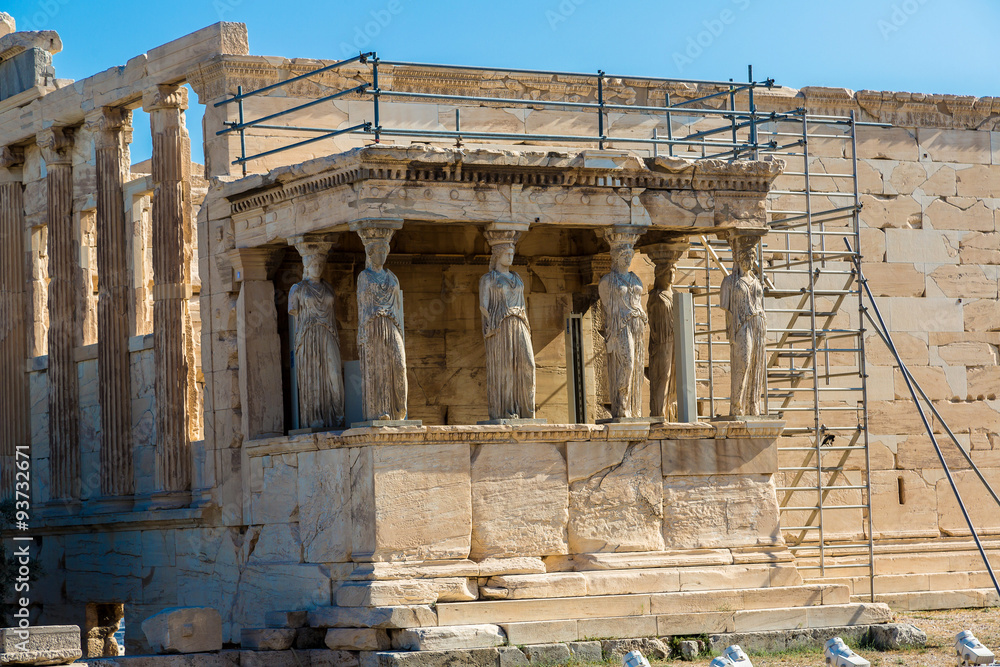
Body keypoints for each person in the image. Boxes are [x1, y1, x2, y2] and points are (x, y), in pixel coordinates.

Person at [479, 237, 536, 420]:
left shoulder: (517, 278)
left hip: (520, 322)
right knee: (505, 368)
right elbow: (483, 306)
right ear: (497, 255)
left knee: (528, 364)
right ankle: (506, 410)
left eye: (512, 253)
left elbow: (523, 303)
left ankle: (527, 411)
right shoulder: (488, 279)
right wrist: (490, 327)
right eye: (507, 254)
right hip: (500, 326)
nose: (511, 257)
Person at [288, 249, 345, 429]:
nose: (318, 268)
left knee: (334, 375)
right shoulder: (297, 289)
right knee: (313, 375)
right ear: (306, 266)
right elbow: (294, 315)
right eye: (314, 264)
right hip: (308, 335)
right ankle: (315, 417)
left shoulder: (328, 288)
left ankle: (337, 416)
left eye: (321, 264)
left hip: (328, 332)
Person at [357, 234, 407, 421]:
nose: (382, 255)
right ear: (370, 253)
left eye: (384, 251)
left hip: (392, 323)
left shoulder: (392, 276)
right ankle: (380, 411)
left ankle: (398, 410)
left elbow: (398, 305)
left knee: (399, 364)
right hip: (373, 325)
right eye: (378, 251)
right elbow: (362, 305)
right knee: (378, 366)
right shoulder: (364, 276)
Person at [599, 237, 648, 419]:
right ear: (616, 257)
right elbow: (607, 307)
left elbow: (638, 301)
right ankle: (621, 403)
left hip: (638, 325)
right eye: (624, 255)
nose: (628, 259)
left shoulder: (636, 278)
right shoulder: (608, 281)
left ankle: (633, 408)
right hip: (620, 326)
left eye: (630, 255)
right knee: (627, 363)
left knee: (637, 366)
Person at [720, 235, 766, 416]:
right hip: (741, 325)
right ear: (738, 258)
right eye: (747, 256)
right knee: (743, 362)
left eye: (752, 257)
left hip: (758, 324)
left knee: (756, 365)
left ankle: (753, 406)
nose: (750, 260)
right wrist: (730, 334)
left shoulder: (756, 282)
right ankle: (736, 406)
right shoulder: (729, 282)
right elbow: (727, 311)